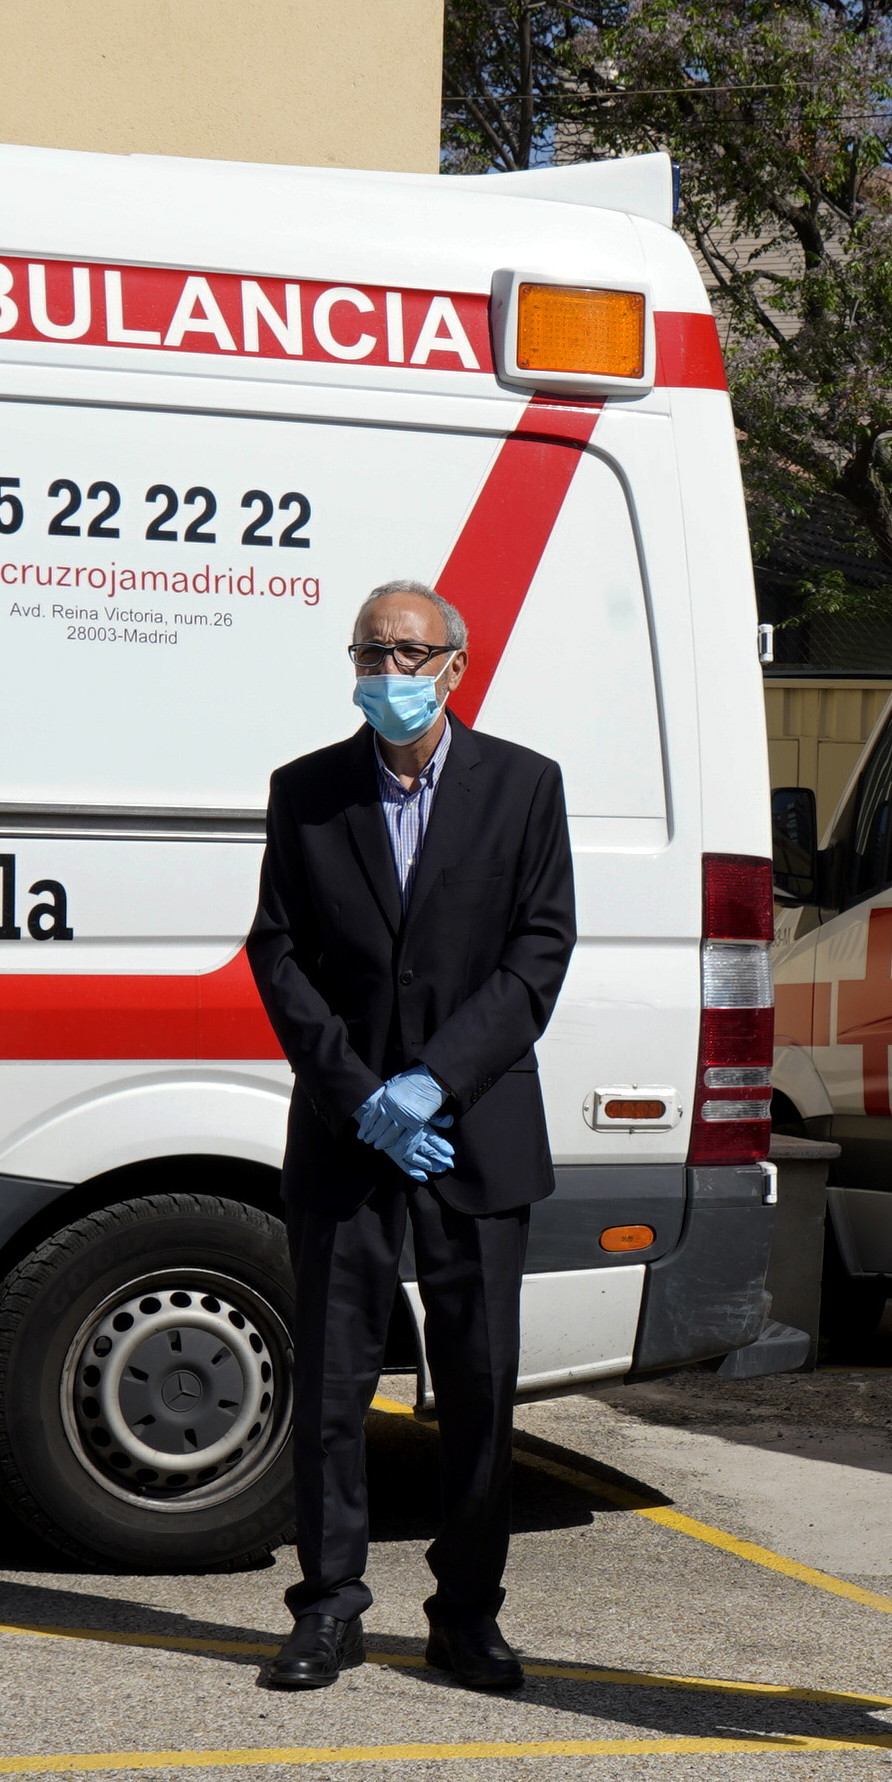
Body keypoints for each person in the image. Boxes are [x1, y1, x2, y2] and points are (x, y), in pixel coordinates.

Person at [242, 584, 577, 1693]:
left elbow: (539, 951)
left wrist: (434, 1082)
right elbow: (278, 955)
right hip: (348, 1136)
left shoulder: (524, 785)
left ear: (455, 667)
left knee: (478, 1384)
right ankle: (329, 1605)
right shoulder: (306, 791)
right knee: (334, 1383)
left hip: (474, 1128)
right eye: (369, 652)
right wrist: (362, 1095)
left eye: (409, 653)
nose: (388, 671)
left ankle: (467, 1613)